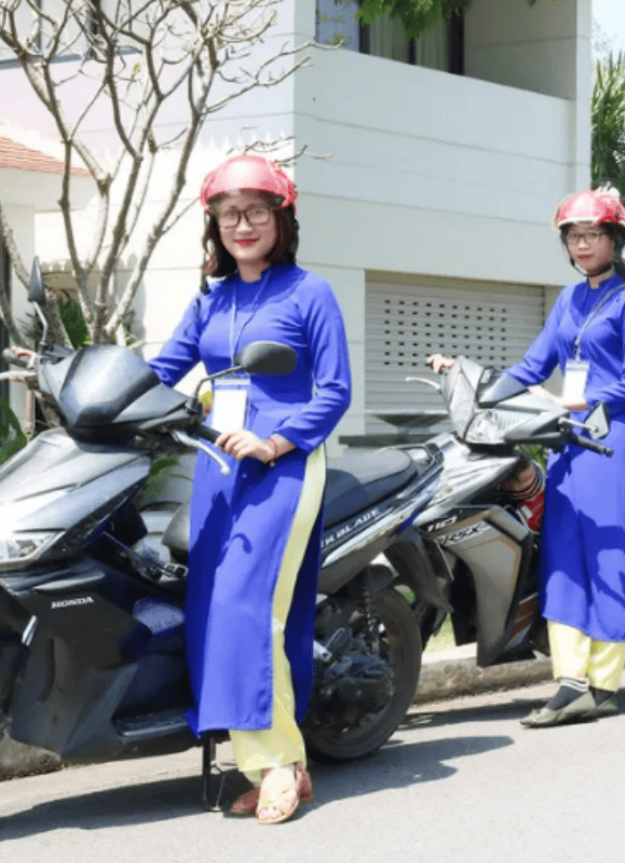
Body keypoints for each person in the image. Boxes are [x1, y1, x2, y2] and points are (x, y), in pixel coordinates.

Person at [149, 154, 352, 823]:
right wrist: (79, 381)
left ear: (281, 219)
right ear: (214, 223)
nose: (242, 225)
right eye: (229, 213)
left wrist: (276, 439)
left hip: (283, 463)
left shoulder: (308, 293)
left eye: (256, 212)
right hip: (216, 465)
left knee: (247, 607)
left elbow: (335, 390)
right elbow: (162, 369)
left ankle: (274, 765)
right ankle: (276, 760)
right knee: (215, 612)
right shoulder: (212, 297)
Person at [429, 187, 625, 726]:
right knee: (563, 557)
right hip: (566, 439)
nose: (583, 244)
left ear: (615, 240)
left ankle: (604, 685)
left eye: (593, 234)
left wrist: (575, 399)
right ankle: (569, 682)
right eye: (574, 236)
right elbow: (534, 365)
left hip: (612, 441)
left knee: (611, 558)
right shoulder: (568, 300)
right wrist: (476, 381)